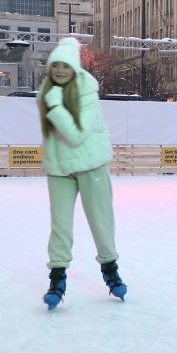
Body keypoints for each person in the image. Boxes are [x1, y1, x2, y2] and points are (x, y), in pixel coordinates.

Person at [36, 37, 126, 310]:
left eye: (66, 66)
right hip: (60, 170)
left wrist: (54, 106)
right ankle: (57, 278)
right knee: (60, 227)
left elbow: (75, 135)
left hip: (90, 165)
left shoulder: (87, 93)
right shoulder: (48, 92)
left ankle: (110, 270)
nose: (60, 71)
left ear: (74, 68)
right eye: (56, 66)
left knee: (101, 222)